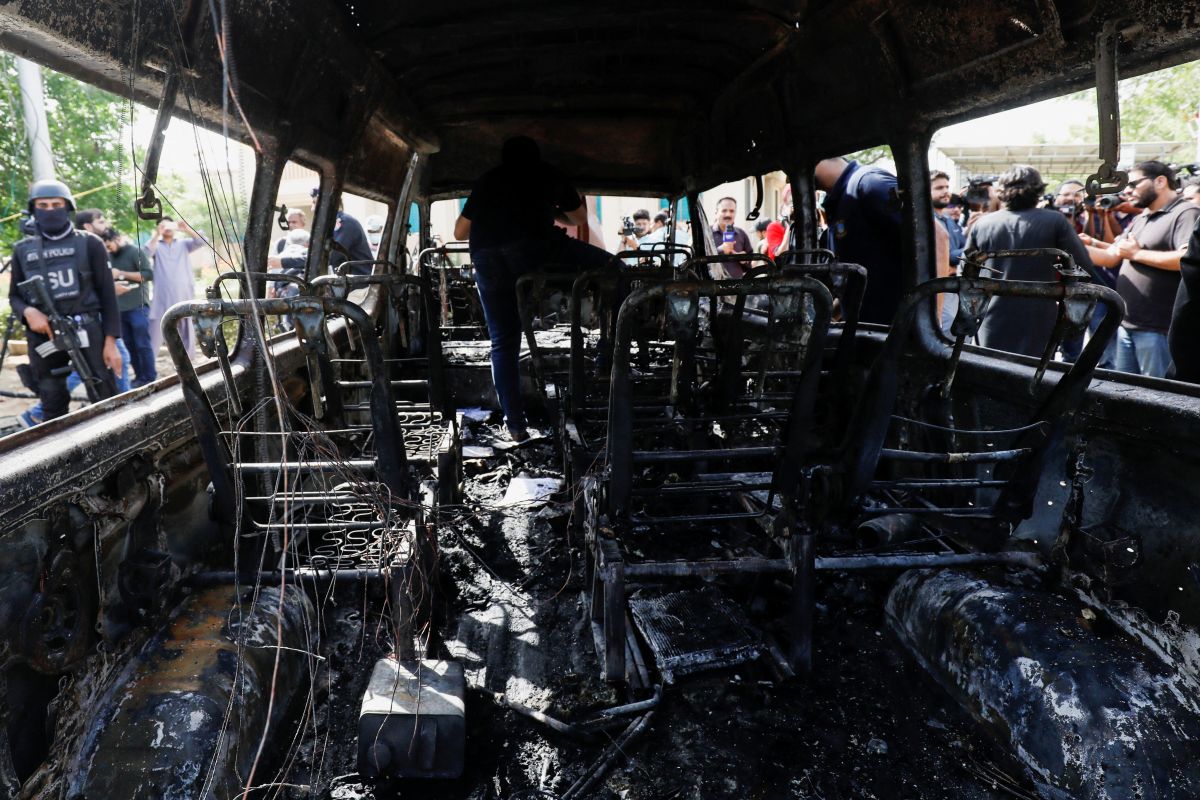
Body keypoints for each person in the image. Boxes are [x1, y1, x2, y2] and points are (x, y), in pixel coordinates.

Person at [452, 135, 616, 442]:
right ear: (538, 156)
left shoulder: (489, 179)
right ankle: (606, 354)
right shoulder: (550, 174)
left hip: (486, 257)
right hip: (532, 248)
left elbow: (459, 233)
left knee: (502, 342)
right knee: (615, 267)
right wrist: (545, 210)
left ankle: (515, 425)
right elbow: (579, 217)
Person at [7, 180, 122, 423]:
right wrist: (28, 311)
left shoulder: (89, 243)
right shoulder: (22, 250)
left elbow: (108, 295)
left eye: (56, 204)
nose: (50, 210)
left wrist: (111, 341)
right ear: (33, 209)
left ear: (67, 207)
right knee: (52, 400)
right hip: (45, 335)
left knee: (105, 397)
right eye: (43, 205)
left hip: (88, 329)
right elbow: (14, 296)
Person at [1081, 161, 1200, 378]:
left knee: (1156, 398)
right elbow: (1113, 257)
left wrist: (1137, 254)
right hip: (1126, 324)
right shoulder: (1141, 216)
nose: (1127, 190)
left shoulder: (1185, 213)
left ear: (1161, 181)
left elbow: (1186, 258)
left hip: (1157, 329)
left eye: (1133, 183)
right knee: (1125, 392)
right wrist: (1076, 245)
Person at [963, 165, 1094, 358]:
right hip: (1040, 314)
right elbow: (1082, 267)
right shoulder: (1055, 221)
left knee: (991, 371)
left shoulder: (982, 224)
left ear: (1001, 192)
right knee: (1034, 374)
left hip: (992, 315)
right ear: (1039, 190)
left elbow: (966, 273)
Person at [814, 157, 905, 324]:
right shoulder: (839, 200)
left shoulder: (869, 183)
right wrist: (828, 318)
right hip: (867, 331)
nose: (789, 180)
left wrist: (929, 324)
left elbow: (937, 237)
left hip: (895, 331)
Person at [147, 216, 205, 359]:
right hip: (162, 295)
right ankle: (149, 367)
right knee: (155, 329)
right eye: (163, 226)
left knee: (187, 328)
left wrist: (186, 229)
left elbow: (203, 241)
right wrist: (157, 234)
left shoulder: (183, 244)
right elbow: (146, 252)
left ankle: (189, 363)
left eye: (170, 225)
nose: (167, 228)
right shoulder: (157, 246)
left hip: (184, 293)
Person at [104, 228, 156, 386]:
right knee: (129, 346)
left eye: (109, 245)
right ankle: (140, 377)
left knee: (142, 344)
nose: (108, 249)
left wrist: (121, 274)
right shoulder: (107, 256)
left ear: (118, 238)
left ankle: (149, 377)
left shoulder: (135, 252)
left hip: (138, 306)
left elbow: (147, 275)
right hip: (119, 309)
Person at [708, 197, 754, 278]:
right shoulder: (706, 233)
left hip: (736, 287)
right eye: (724, 210)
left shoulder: (742, 234)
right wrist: (720, 250)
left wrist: (744, 260)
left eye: (732, 211)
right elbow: (697, 259)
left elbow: (750, 265)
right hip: (712, 287)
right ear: (716, 212)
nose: (728, 214)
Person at [931, 170, 966, 265]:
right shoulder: (926, 221)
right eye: (939, 188)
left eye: (947, 187)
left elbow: (964, 244)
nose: (946, 191)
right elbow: (949, 256)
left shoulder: (948, 219)